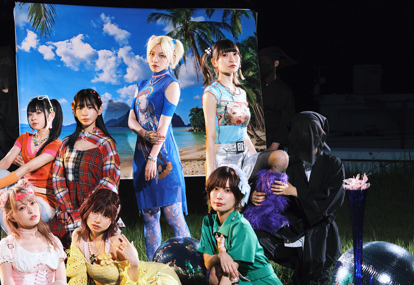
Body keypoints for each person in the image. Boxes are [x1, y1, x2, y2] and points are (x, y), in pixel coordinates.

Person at [198, 165, 319, 285]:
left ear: (238, 197)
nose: (219, 196)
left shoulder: (242, 227)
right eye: (215, 188)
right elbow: (207, 261)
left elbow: (229, 275)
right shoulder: (209, 222)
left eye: (227, 190)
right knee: (214, 272)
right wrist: (221, 255)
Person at [67, 189, 208, 285]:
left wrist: (134, 263)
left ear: (113, 219)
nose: (97, 220)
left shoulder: (116, 243)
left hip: (152, 280)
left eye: (105, 215)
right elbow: (78, 278)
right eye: (95, 211)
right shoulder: (79, 237)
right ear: (87, 209)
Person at [251, 112, 344, 285]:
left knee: (313, 281)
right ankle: (267, 277)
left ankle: (306, 267)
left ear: (320, 134)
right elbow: (268, 190)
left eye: (310, 132)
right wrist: (255, 196)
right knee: (254, 236)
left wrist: (296, 192)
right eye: (300, 132)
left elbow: (331, 200)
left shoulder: (333, 164)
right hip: (290, 226)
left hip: (319, 228)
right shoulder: (287, 164)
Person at [128, 35, 191, 259]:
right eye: (152, 54)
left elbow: (163, 127)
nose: (155, 59)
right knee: (149, 217)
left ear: (171, 58)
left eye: (161, 55)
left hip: (163, 157)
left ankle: (191, 265)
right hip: (141, 156)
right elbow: (131, 120)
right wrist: (144, 133)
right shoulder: (141, 85)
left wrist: (153, 157)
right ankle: (154, 267)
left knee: (173, 215)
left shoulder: (171, 84)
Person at [0, 96, 63, 234]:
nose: (33, 117)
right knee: (1, 173)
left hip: (43, 201)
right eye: (30, 114)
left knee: (10, 202)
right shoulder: (24, 137)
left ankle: (10, 238)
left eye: (38, 113)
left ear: (51, 115)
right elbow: (6, 160)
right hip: (23, 191)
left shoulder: (56, 144)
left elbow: (27, 168)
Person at [200, 39, 288, 179]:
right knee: (234, 192)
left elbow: (244, 133)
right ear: (214, 62)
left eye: (235, 54)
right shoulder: (212, 93)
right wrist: (210, 173)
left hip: (246, 156)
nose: (232, 59)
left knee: (281, 157)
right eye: (225, 55)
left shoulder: (242, 93)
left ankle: (266, 191)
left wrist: (256, 157)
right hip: (225, 159)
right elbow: (210, 136)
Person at [50, 89, 120, 247]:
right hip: (67, 213)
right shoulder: (66, 143)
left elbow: (109, 182)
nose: (84, 112)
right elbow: (58, 178)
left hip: (96, 212)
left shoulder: (106, 144)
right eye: (80, 107)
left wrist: (82, 212)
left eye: (90, 107)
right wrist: (66, 209)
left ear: (99, 110)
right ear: (73, 109)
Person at [258, 47, 296, 151]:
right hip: (256, 140)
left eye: (266, 61)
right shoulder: (257, 88)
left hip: (274, 142)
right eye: (260, 62)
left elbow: (285, 120)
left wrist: (274, 145)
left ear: (276, 63)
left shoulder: (284, 90)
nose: (263, 65)